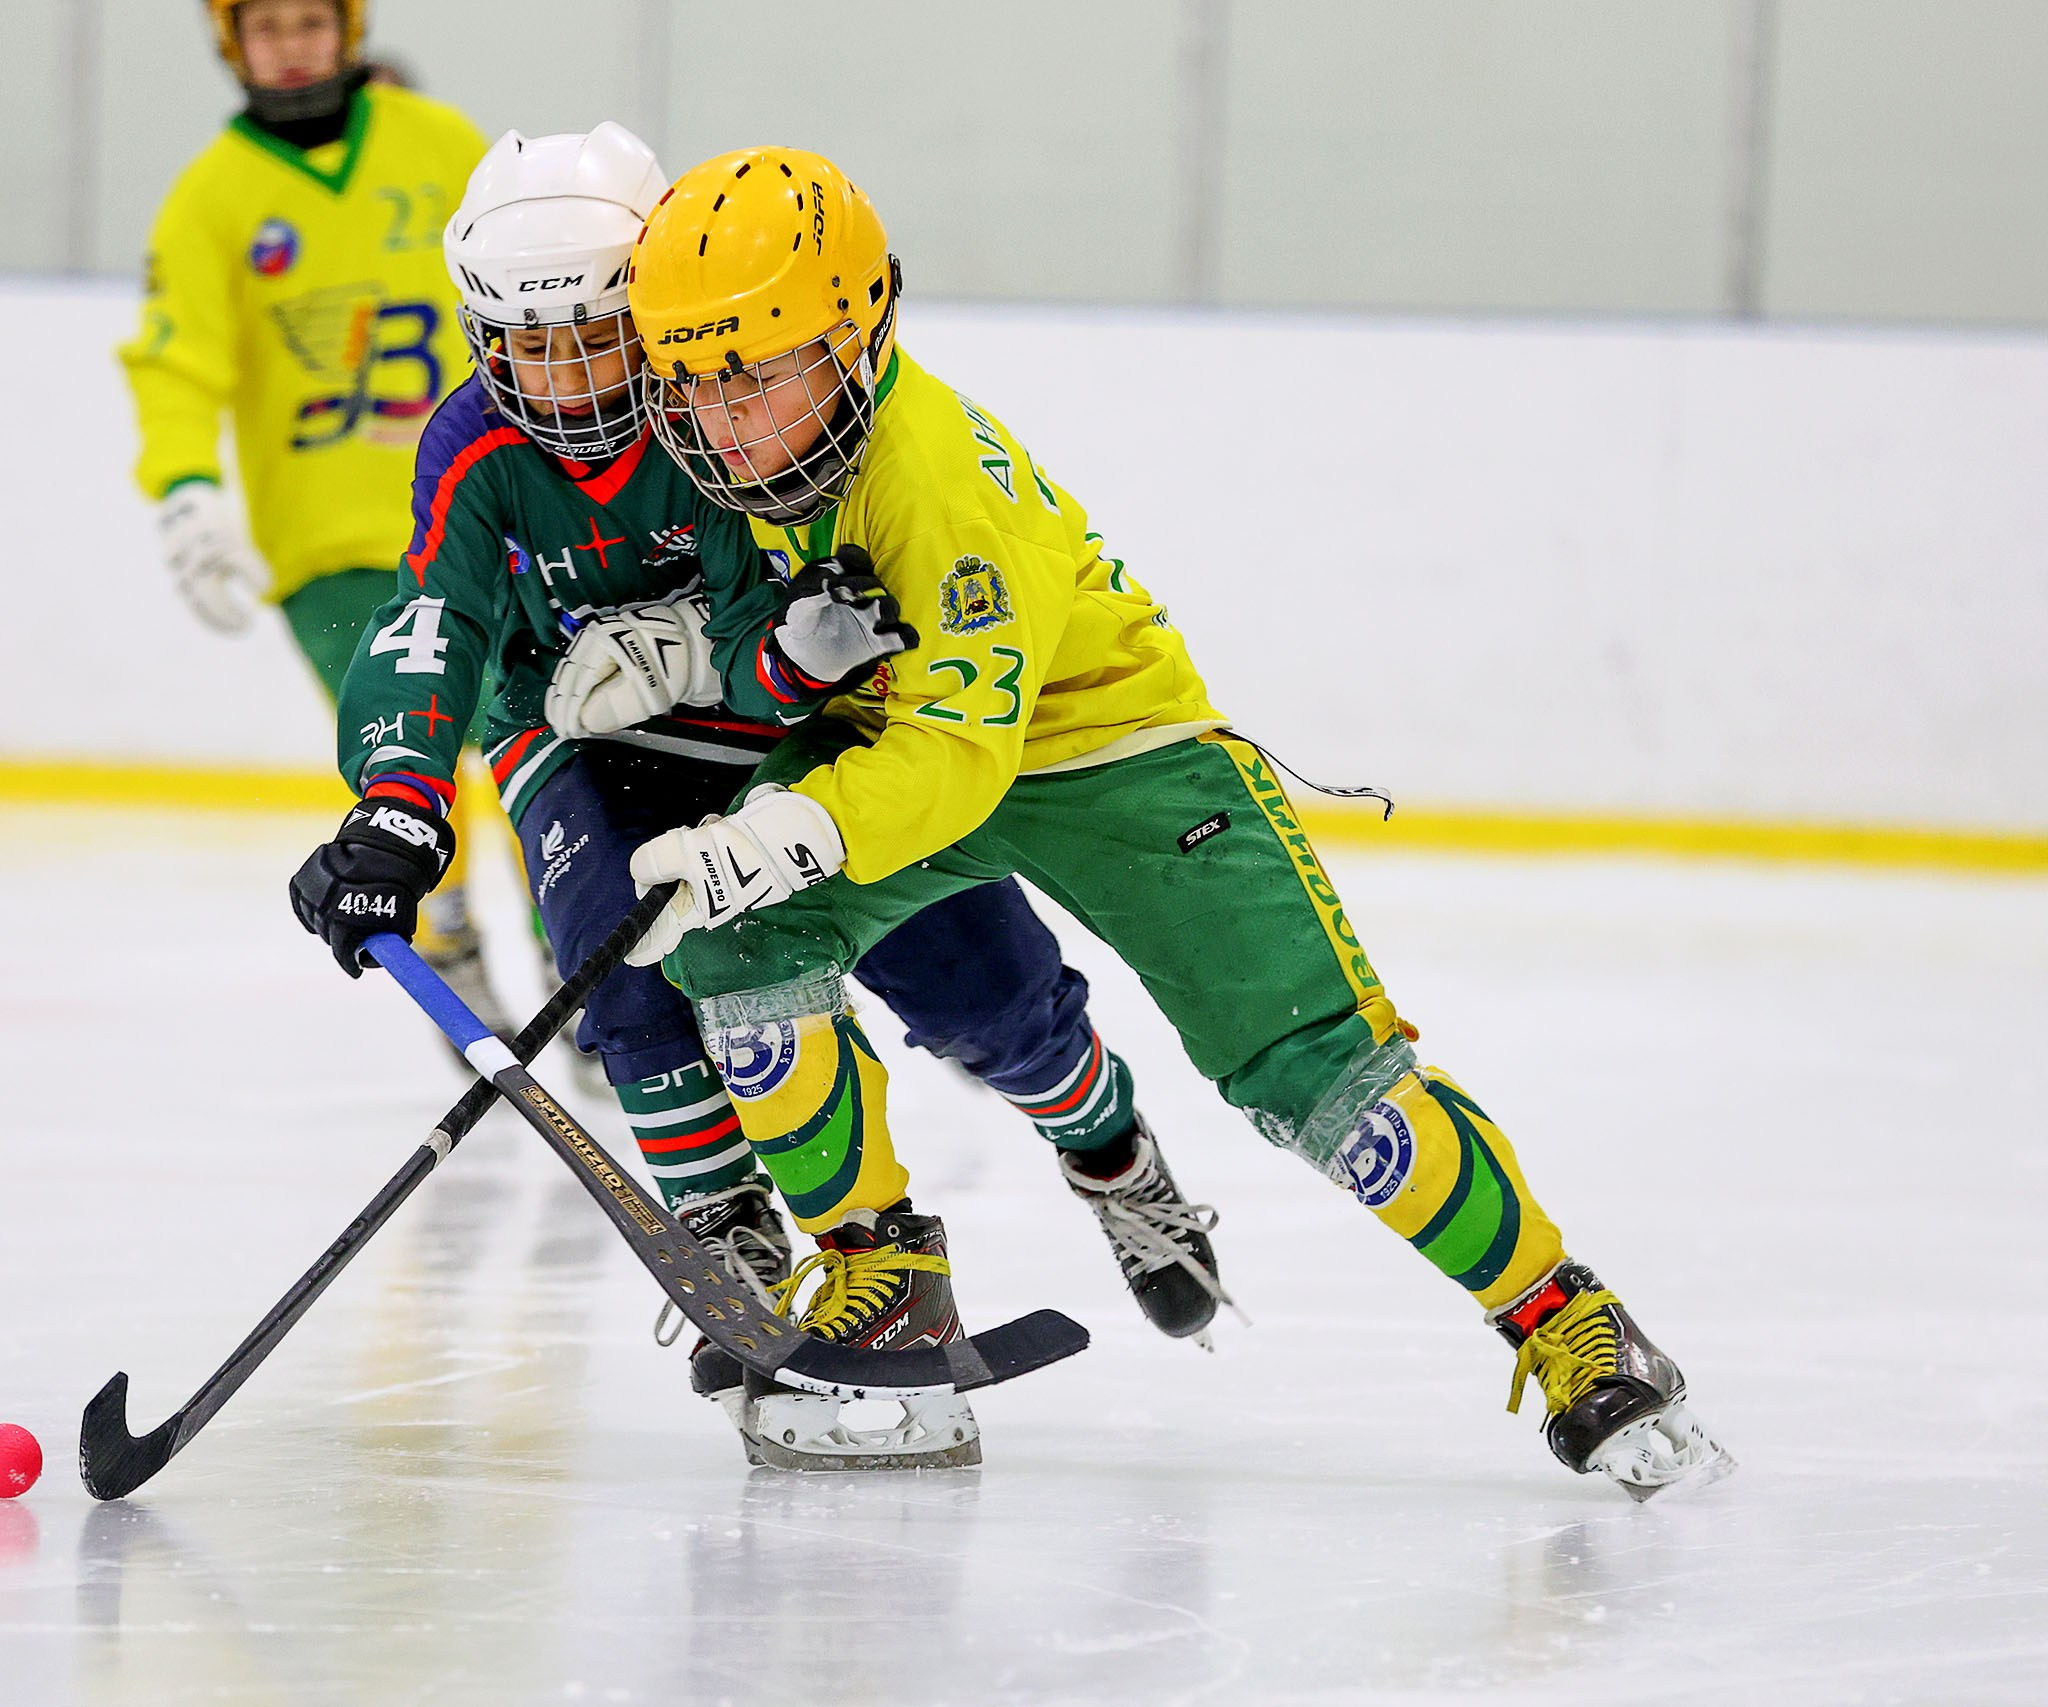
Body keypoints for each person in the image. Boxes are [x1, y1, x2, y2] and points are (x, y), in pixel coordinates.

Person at [613, 147, 1734, 1500]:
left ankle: (1568, 1316)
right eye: (690, 378)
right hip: (912, 746)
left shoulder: (933, 480)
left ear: (856, 333)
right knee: (743, 949)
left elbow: (961, 759)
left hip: (1118, 762)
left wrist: (763, 833)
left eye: (756, 371)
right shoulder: (767, 466)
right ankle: (884, 1278)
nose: (721, 419)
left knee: (1329, 1088)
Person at [287, 125, 1233, 1470]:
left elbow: (817, 619)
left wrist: (733, 654)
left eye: (597, 335)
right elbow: (431, 616)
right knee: (622, 977)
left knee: (979, 983)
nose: (561, 383)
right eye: (525, 345)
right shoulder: (471, 441)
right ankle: (730, 1240)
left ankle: (1110, 1147)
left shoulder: (733, 400)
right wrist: (394, 804)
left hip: (765, 735)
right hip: (571, 743)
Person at [121, 0, 514, 1021]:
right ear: (230, 44)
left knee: (526, 738)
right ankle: (448, 941)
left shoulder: (438, 144)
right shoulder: (211, 199)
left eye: (309, 19)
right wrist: (184, 489)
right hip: (327, 550)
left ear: (347, 28)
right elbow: (175, 359)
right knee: (411, 752)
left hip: (478, 515)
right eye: (266, 26)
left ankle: (580, 962)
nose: (290, 43)